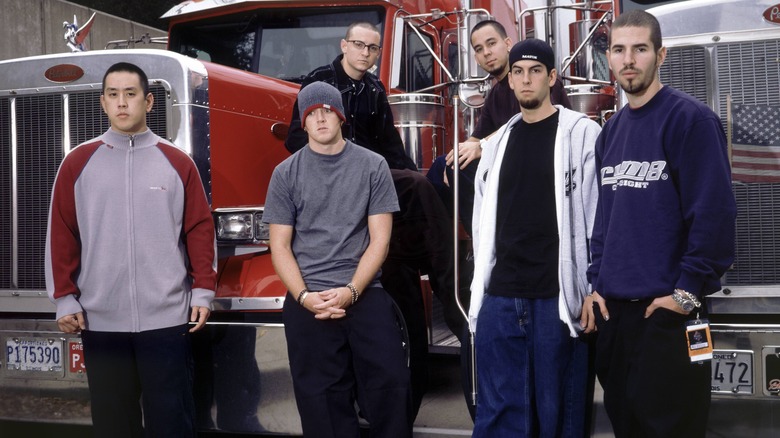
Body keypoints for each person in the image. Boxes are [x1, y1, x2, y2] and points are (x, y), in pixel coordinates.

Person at [284, 21, 460, 416]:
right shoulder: (319, 83)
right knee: (415, 189)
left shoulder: (375, 90)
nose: (365, 53)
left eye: (373, 48)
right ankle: (450, 291)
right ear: (344, 45)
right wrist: (351, 157)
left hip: (374, 183)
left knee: (424, 186)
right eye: (358, 45)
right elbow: (297, 139)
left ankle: (446, 280)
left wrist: (422, 176)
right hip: (335, 177)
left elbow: (392, 149)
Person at [583, 10, 736, 437]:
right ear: (609, 59)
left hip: (667, 319)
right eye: (618, 49)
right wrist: (596, 285)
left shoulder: (690, 120)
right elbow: (606, 222)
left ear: (660, 55)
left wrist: (686, 296)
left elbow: (714, 215)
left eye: (640, 49)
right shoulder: (609, 133)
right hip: (616, 319)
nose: (628, 59)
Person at [45, 62, 217, 437]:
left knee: (172, 423)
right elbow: (62, 235)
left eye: (130, 94)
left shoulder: (177, 162)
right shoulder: (77, 163)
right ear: (103, 102)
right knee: (113, 425)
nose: (122, 103)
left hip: (167, 321)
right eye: (113, 94)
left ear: (149, 101)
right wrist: (64, 297)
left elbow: (200, 230)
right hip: (100, 320)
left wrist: (203, 289)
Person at [265, 81, 413, 438]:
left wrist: (352, 291)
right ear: (303, 122)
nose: (319, 119)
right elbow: (280, 246)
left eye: (326, 111)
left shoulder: (372, 165)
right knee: (322, 405)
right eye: (311, 113)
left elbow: (380, 240)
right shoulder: (285, 173)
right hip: (308, 298)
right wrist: (303, 296)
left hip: (364, 291)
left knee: (390, 389)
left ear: (340, 116)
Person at [468, 38, 600, 437]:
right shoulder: (498, 142)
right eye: (518, 72)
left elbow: (597, 216)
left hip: (556, 299)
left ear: (552, 77)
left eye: (535, 71)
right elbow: (481, 222)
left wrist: (594, 287)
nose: (526, 80)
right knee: (498, 417)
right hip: (501, 297)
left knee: (558, 415)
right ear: (508, 80)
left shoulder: (581, 134)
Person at [428, 19, 572, 235]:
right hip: (504, 158)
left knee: (457, 169)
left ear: (507, 44)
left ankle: (483, 240)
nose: (487, 52)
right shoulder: (496, 93)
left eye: (491, 43)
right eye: (479, 49)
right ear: (475, 57)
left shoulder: (535, 81)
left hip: (537, 158)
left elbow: (525, 122)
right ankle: (445, 248)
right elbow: (476, 137)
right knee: (440, 167)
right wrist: (456, 154)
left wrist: (480, 147)